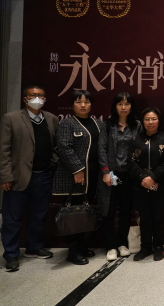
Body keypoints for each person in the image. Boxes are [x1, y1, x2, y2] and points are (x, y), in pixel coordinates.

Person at [0, 85, 59, 272]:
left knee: (39, 215)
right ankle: (11, 254)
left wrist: (53, 162)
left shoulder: (52, 119)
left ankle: (34, 247)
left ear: (45, 99)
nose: (37, 98)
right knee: (12, 218)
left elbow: (56, 145)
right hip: (18, 177)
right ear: (25, 99)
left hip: (43, 175)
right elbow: (3, 150)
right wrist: (5, 176)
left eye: (41, 95)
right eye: (33, 95)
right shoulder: (11, 118)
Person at [52, 90, 105, 265]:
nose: (83, 105)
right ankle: (73, 250)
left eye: (86, 102)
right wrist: (77, 169)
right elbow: (64, 147)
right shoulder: (67, 124)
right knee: (74, 212)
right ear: (72, 105)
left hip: (93, 176)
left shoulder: (97, 123)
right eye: (78, 102)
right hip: (74, 176)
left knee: (84, 211)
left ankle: (81, 245)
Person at [98, 92, 142, 261]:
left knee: (126, 209)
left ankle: (122, 243)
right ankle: (110, 246)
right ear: (115, 106)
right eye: (120, 104)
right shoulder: (108, 125)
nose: (123, 107)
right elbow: (102, 148)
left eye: (127, 104)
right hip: (110, 173)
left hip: (129, 174)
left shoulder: (136, 125)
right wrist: (105, 171)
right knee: (108, 210)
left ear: (131, 106)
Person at [128, 108, 164, 261]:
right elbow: (130, 161)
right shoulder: (136, 139)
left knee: (158, 216)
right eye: (147, 119)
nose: (150, 122)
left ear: (159, 121)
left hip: (160, 184)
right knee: (144, 217)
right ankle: (145, 247)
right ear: (142, 121)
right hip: (140, 184)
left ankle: (159, 246)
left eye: (154, 119)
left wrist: (153, 178)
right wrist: (143, 177)